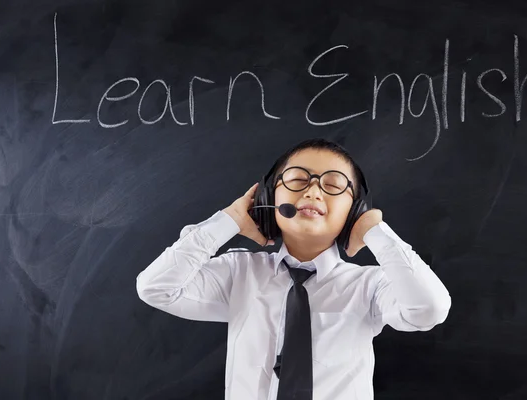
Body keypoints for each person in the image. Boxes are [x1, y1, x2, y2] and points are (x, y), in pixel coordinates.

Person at [136, 138, 451, 400]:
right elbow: (156, 288)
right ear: (269, 196)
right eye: (299, 179)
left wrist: (375, 231)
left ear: (354, 209)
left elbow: (429, 309)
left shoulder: (369, 285)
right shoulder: (238, 273)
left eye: (334, 185)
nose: (313, 192)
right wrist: (228, 220)